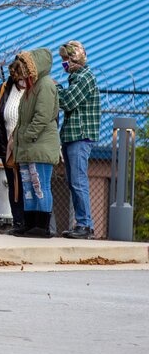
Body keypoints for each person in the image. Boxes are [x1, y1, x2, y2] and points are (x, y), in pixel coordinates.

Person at [12, 48, 60, 238]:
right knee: (29, 187)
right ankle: (30, 224)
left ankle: (43, 226)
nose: (23, 69)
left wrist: (27, 136)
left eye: (26, 65)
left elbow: (42, 116)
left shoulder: (46, 85)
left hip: (39, 145)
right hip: (29, 146)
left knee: (40, 185)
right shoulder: (31, 88)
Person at [56, 41, 100, 239]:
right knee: (74, 181)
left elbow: (68, 101)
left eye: (66, 58)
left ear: (76, 57)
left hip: (80, 137)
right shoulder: (76, 77)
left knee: (78, 181)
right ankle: (81, 224)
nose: (64, 63)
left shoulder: (84, 78)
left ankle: (85, 225)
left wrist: (55, 89)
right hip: (71, 136)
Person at [0, 57, 27, 235]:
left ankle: (31, 223)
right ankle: (18, 222)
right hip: (6, 146)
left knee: (28, 185)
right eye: (20, 78)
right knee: (12, 183)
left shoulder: (35, 91)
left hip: (27, 146)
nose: (23, 82)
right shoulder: (3, 90)